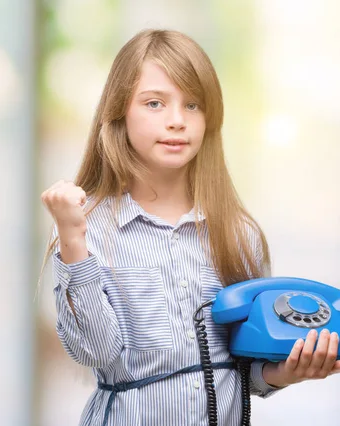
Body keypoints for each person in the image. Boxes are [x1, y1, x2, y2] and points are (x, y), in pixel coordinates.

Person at [40, 29, 340, 426]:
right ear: (119, 113)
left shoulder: (238, 233)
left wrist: (288, 370)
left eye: (193, 105)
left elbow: (242, 368)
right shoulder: (88, 229)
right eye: (154, 103)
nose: (177, 121)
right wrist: (72, 240)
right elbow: (96, 353)